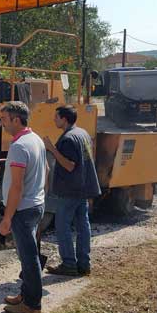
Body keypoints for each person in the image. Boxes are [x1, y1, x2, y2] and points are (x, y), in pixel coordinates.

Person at [0, 101, 47, 313]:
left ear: (16, 120)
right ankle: (25, 295)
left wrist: (7, 218)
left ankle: (32, 305)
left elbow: (16, 186)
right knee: (29, 255)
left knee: (29, 259)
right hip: (36, 204)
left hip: (23, 210)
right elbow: (45, 169)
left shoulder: (19, 146)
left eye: (4, 120)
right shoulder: (35, 139)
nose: (2, 124)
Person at [43, 105, 101, 277]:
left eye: (56, 117)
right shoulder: (82, 133)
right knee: (83, 225)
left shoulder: (68, 139)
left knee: (63, 227)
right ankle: (84, 264)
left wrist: (51, 149)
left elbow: (69, 165)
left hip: (70, 190)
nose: (54, 120)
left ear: (64, 119)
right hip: (83, 188)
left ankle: (68, 264)